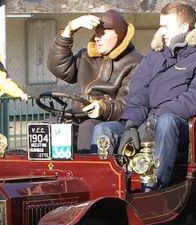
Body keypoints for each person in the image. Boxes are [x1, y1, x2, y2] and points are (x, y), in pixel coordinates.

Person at [90, 1, 196, 190]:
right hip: (146, 125)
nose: (161, 31)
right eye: (160, 25)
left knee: (167, 121)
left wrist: (153, 120)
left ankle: (154, 189)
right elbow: (138, 93)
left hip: (184, 133)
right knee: (104, 130)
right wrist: (131, 125)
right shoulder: (155, 57)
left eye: (165, 26)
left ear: (184, 27)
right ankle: (103, 189)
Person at [47, 9, 143, 152]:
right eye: (96, 33)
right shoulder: (86, 56)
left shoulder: (136, 62)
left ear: (120, 35)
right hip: (79, 114)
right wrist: (69, 30)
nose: (97, 38)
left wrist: (104, 107)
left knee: (88, 127)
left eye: (103, 33)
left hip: (111, 121)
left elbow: (129, 104)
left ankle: (85, 173)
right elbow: (58, 67)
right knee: (51, 125)